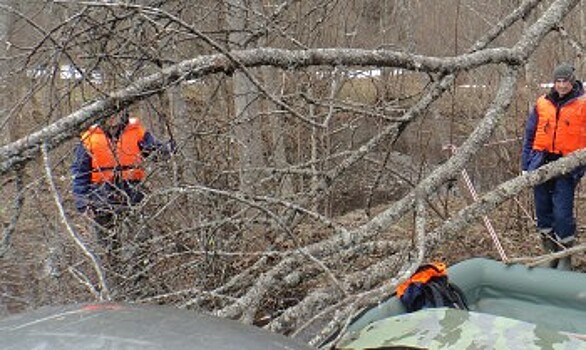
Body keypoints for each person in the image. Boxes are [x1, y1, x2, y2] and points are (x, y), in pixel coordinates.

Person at [71, 109, 174, 256]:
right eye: (108, 114)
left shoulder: (136, 132)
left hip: (133, 196)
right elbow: (80, 173)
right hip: (101, 200)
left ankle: (140, 273)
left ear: (123, 113)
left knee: (141, 241)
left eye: (116, 113)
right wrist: (82, 203)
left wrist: (172, 147)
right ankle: (113, 274)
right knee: (107, 248)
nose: (112, 118)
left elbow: (158, 152)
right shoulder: (89, 139)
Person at [521, 63, 586, 270]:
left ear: (573, 81)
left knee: (562, 213)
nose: (561, 85)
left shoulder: (583, 103)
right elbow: (530, 135)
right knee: (542, 211)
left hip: (568, 166)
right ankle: (550, 253)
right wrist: (526, 164)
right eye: (558, 81)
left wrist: (580, 166)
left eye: (565, 81)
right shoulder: (542, 103)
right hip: (540, 163)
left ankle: (565, 255)